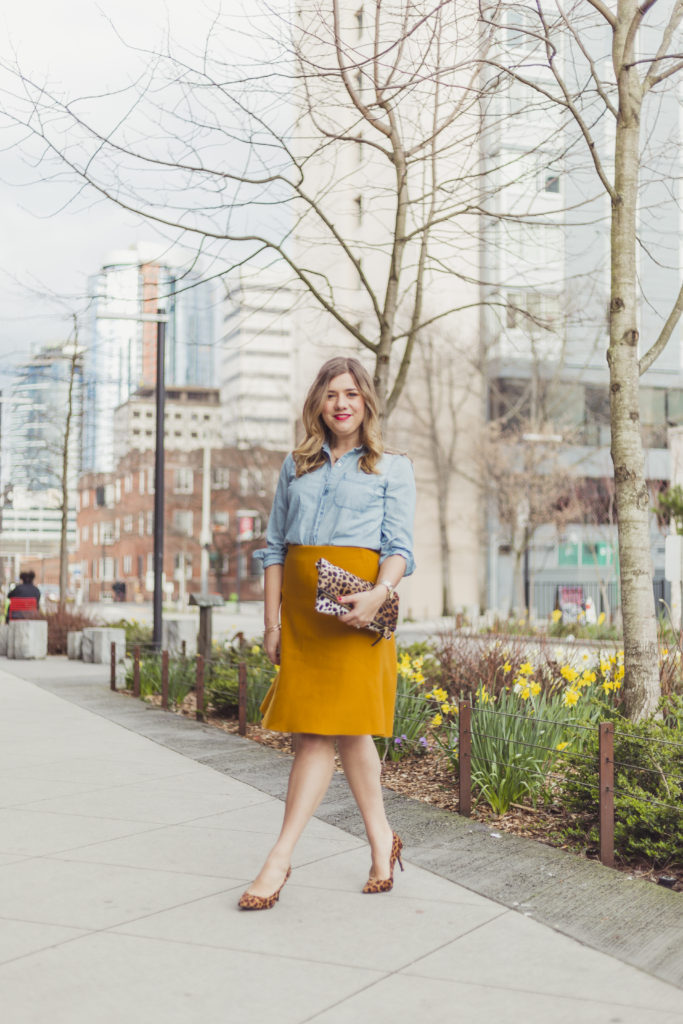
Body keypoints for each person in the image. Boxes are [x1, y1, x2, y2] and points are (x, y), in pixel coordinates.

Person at [239, 356, 416, 911]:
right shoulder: (295, 465)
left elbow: (399, 549)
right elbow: (273, 549)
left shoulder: (393, 467)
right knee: (348, 732)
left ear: (366, 402)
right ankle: (382, 841)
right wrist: (272, 623)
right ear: (318, 402)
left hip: (358, 610)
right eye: (331, 394)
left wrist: (378, 595)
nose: (341, 403)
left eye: (352, 394)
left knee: (325, 732)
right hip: (304, 616)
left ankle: (279, 858)